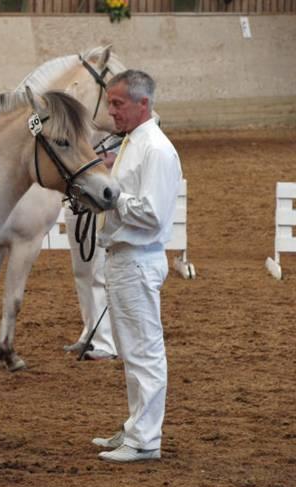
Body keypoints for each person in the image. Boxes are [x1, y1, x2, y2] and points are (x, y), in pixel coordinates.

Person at [92, 69, 182, 463]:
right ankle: (136, 428)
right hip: (124, 258)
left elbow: (153, 214)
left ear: (143, 104)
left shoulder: (156, 149)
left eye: (118, 103)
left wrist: (112, 197)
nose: (111, 111)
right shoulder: (133, 143)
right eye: (110, 103)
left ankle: (145, 439)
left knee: (144, 351)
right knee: (133, 351)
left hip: (137, 259)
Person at [62, 206, 117, 361]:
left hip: (99, 205)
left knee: (99, 274)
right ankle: (90, 332)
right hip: (74, 202)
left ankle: (106, 343)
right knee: (81, 272)